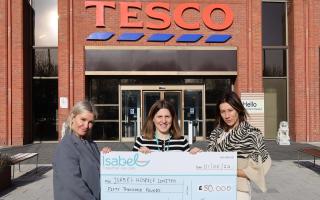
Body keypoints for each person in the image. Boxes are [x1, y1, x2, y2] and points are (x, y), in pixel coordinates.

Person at [207, 92, 271, 200]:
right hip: (214, 188)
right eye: (223, 112)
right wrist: (199, 155)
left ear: (238, 109)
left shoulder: (252, 134)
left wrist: (228, 170)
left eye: (230, 110)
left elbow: (257, 169)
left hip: (239, 191)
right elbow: (209, 161)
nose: (227, 116)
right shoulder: (216, 133)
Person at [53, 100, 111, 200]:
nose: (86, 126)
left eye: (90, 122)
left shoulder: (90, 143)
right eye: (83, 119)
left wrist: (107, 157)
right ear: (73, 117)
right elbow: (73, 185)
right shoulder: (66, 146)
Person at [133, 99, 199, 153]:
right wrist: (140, 156)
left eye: (167, 116)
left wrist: (195, 156)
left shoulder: (182, 141)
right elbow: (131, 165)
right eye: (159, 116)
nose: (164, 121)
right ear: (153, 118)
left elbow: (188, 166)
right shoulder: (141, 141)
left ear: (172, 118)